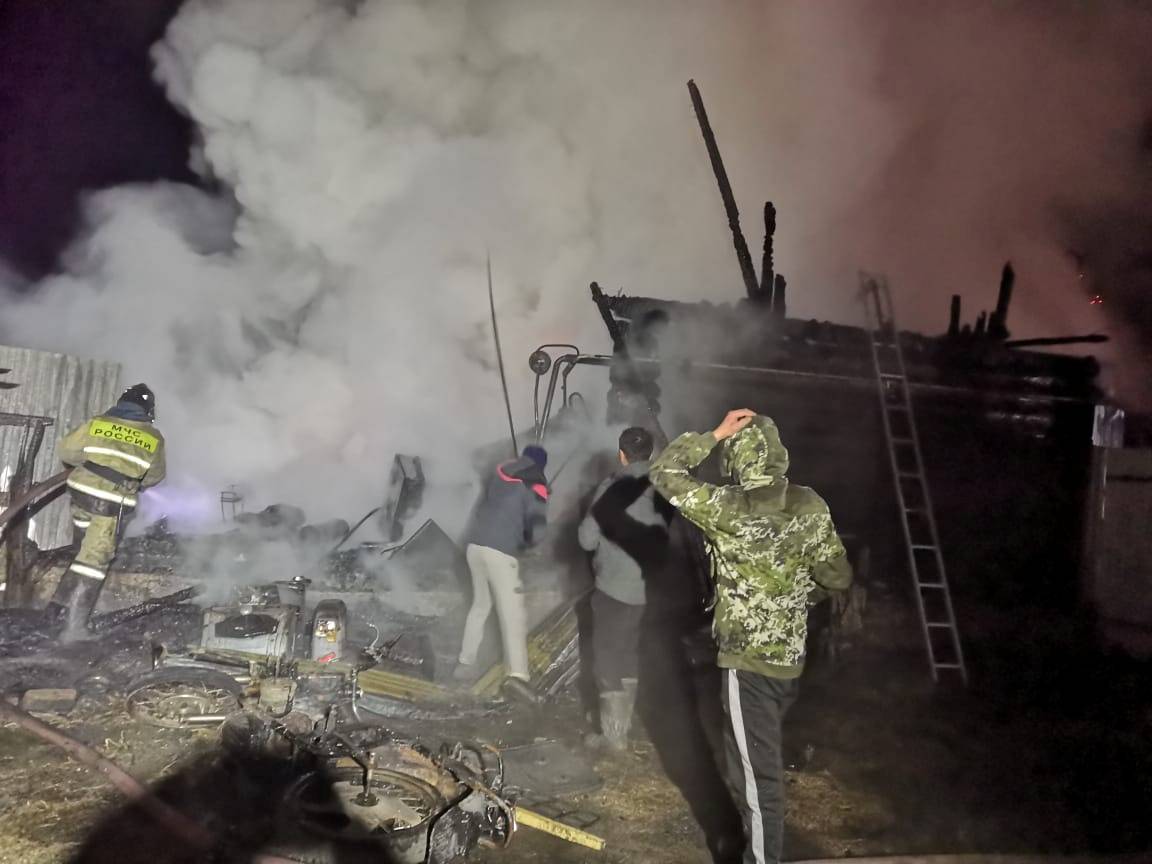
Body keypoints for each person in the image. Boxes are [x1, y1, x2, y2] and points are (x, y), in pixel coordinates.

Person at [649, 409, 852, 864]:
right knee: (755, 768)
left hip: (748, 668)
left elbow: (664, 472)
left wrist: (716, 433)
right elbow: (837, 577)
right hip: (789, 663)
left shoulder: (728, 507)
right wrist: (797, 595)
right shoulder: (809, 504)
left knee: (759, 786)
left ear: (736, 458)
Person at [45, 383, 166, 635]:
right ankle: (74, 628)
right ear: (148, 411)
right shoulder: (153, 438)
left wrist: (93, 464)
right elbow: (155, 477)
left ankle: (54, 611)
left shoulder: (98, 423)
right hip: (109, 503)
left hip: (80, 493)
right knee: (94, 562)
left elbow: (66, 450)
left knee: (80, 553)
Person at [578, 426, 666, 751]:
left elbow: (586, 538)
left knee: (606, 658)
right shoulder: (665, 487)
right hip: (648, 591)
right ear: (651, 454)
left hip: (614, 587)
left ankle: (613, 737)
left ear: (621, 454)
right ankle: (621, 725)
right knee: (629, 653)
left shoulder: (612, 488)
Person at [455, 444, 549, 698]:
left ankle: (465, 662)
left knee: (481, 605)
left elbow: (490, 510)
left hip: (474, 546)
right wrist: (528, 545)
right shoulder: (536, 483)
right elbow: (537, 529)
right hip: (499, 552)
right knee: (513, 615)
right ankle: (518, 676)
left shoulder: (498, 474)